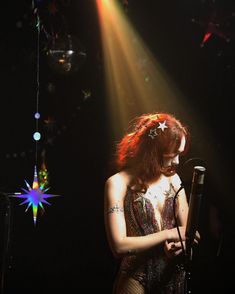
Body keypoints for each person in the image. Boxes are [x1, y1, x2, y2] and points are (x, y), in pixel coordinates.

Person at [104, 112, 199, 293]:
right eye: (173, 154)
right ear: (153, 151)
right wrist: (168, 234)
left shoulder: (174, 179)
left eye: (180, 154)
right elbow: (118, 246)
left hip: (173, 278)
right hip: (135, 279)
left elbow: (190, 232)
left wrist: (180, 245)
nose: (177, 161)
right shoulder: (117, 183)